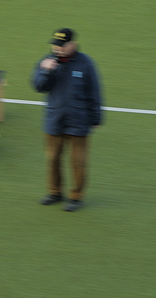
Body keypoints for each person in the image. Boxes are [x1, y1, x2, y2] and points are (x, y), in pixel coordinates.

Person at [31, 28, 102, 212]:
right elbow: (38, 87)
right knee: (52, 158)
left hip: (79, 120)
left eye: (62, 46)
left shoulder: (85, 63)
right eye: (56, 45)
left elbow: (94, 91)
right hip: (55, 119)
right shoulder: (46, 62)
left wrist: (96, 118)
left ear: (73, 45)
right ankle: (54, 192)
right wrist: (46, 71)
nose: (58, 49)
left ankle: (76, 197)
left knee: (78, 162)